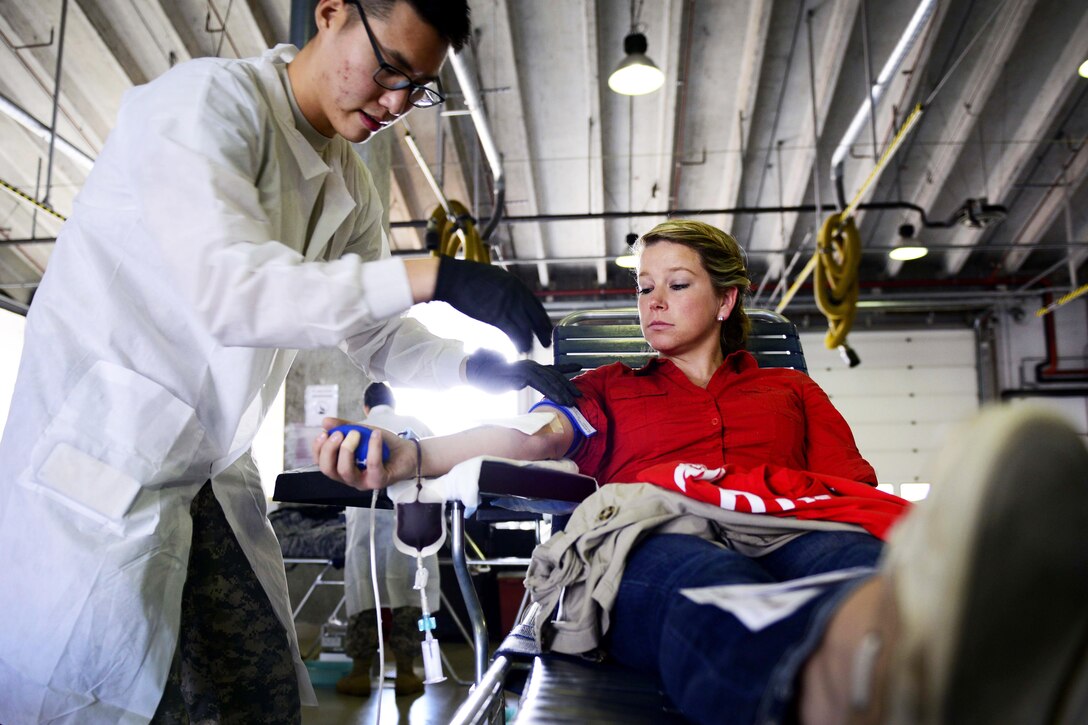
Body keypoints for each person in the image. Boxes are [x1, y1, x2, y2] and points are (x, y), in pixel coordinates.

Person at [0, 1, 580, 722]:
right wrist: (434, 275)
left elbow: (375, 334)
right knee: (119, 694)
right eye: (389, 68)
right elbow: (233, 290)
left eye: (419, 86)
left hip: (208, 473)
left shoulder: (350, 185)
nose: (397, 102)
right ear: (332, 12)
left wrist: (481, 370)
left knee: (260, 694)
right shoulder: (204, 105)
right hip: (103, 466)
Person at [315, 219, 1088, 723]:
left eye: (675, 285)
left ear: (725, 301)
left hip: (794, 518)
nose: (651, 302)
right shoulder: (607, 387)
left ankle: (950, 645)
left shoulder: (788, 386)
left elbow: (856, 490)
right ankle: (854, 687)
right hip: (659, 523)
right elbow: (532, 440)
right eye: (643, 287)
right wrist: (417, 455)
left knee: (854, 558)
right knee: (700, 585)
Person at [336, 382, 437, 698]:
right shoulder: (417, 426)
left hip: (365, 527)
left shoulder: (355, 431)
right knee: (409, 594)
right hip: (411, 524)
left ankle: (359, 674)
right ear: (393, 403)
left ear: (366, 406)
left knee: (363, 591)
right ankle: (406, 673)